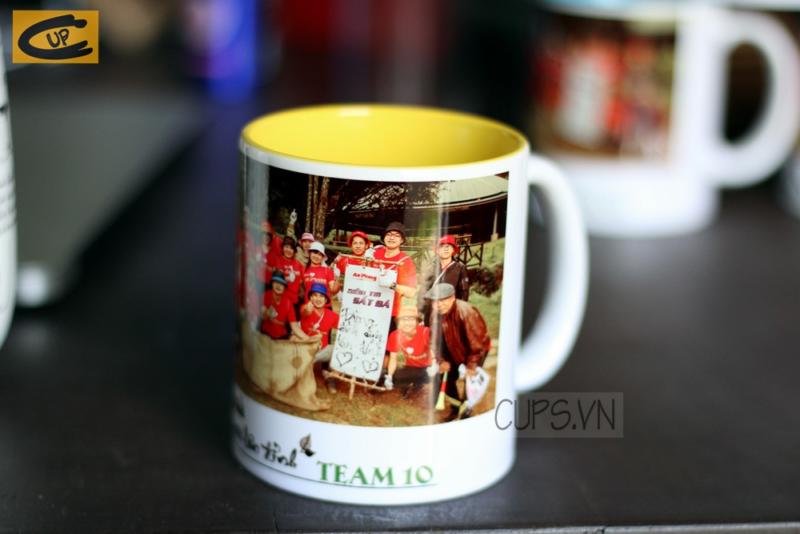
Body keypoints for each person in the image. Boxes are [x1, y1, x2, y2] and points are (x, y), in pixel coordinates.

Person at [426, 283, 491, 419]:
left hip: (474, 352)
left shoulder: (466, 312)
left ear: (452, 298)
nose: (439, 305)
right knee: (446, 379)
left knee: (470, 382)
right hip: (451, 350)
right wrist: (441, 361)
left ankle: (467, 409)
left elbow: (478, 343)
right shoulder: (435, 315)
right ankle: (455, 407)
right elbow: (434, 341)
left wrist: (472, 366)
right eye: (435, 301)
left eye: (443, 300)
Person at [383, 306, 435, 395]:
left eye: (411, 319)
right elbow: (393, 358)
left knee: (433, 376)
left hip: (426, 368)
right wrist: (389, 376)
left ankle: (419, 385)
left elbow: (434, 351)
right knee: (397, 376)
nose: (407, 323)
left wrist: (434, 364)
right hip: (409, 367)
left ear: (417, 322)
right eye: (403, 320)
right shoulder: (395, 336)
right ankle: (408, 386)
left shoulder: (426, 332)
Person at [300, 283, 341, 394]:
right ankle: (304, 374)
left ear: (326, 299)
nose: (318, 299)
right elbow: (304, 312)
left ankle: (331, 378)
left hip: (321, 351)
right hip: (305, 350)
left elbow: (344, 326)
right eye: (315, 295)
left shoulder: (331, 315)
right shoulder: (305, 308)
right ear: (310, 298)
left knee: (338, 350)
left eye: (321, 296)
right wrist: (307, 309)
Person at [372, 222, 417, 318]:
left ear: (402, 240)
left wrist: (392, 285)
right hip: (369, 306)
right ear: (384, 238)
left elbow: (411, 292)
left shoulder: (406, 261)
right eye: (388, 234)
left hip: (390, 312)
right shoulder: (375, 254)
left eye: (396, 236)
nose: (391, 238)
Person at [419, 235, 470, 320]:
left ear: (453, 250)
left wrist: (459, 312)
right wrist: (421, 311)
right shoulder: (431, 268)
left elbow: (464, 292)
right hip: (431, 311)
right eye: (442, 246)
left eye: (449, 246)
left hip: (450, 311)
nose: (446, 249)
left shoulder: (460, 268)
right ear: (437, 250)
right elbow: (423, 290)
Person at [261, 272, 309, 340]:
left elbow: (294, 325)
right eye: (276, 282)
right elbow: (261, 315)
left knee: (295, 338)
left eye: (281, 284)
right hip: (265, 335)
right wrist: (266, 312)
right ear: (272, 284)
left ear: (284, 287)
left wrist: (308, 338)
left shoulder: (288, 303)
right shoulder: (266, 295)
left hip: (282, 336)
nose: (278, 286)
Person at [268, 235, 304, 305]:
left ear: (294, 251)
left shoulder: (299, 264)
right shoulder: (276, 260)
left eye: (291, 248)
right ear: (282, 248)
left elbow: (302, 282)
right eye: (286, 247)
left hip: (294, 301)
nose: (288, 250)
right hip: (279, 299)